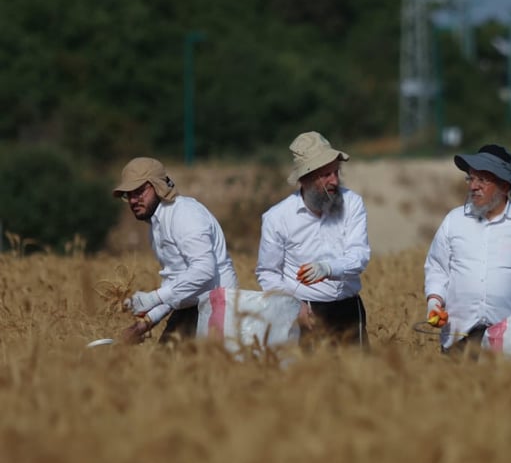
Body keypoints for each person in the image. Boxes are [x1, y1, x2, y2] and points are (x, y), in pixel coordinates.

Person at [424, 144, 511, 352]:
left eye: (482, 180)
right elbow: (437, 268)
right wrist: (434, 301)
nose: (473, 186)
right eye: (471, 178)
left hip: (507, 343)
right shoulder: (454, 220)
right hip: (457, 340)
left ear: (504, 185)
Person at [256, 131, 371, 348]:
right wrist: (292, 307)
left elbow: (360, 255)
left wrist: (328, 268)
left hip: (349, 310)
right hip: (305, 313)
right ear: (305, 178)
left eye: (336, 172)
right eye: (326, 175)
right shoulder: (277, 218)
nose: (334, 181)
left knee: (361, 379)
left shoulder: (353, 203)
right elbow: (268, 273)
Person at [112, 157, 238, 345]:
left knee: (175, 371)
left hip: (217, 307)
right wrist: (145, 323)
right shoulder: (156, 227)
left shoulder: (184, 214)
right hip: (192, 306)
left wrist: (153, 298)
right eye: (128, 195)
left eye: (139, 192)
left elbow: (204, 269)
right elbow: (177, 287)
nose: (133, 200)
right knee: (164, 370)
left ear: (158, 187)